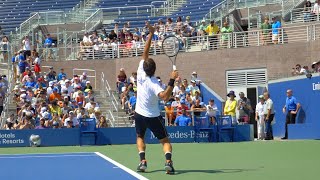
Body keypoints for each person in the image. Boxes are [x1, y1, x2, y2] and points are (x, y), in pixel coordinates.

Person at [134, 24, 178, 174]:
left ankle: (143, 162)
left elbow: (144, 54)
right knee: (165, 140)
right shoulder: (154, 84)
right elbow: (165, 98)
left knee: (140, 136)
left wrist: (151, 34)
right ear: (154, 70)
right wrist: (172, 80)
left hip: (139, 114)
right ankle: (168, 163)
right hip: (153, 116)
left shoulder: (140, 71)